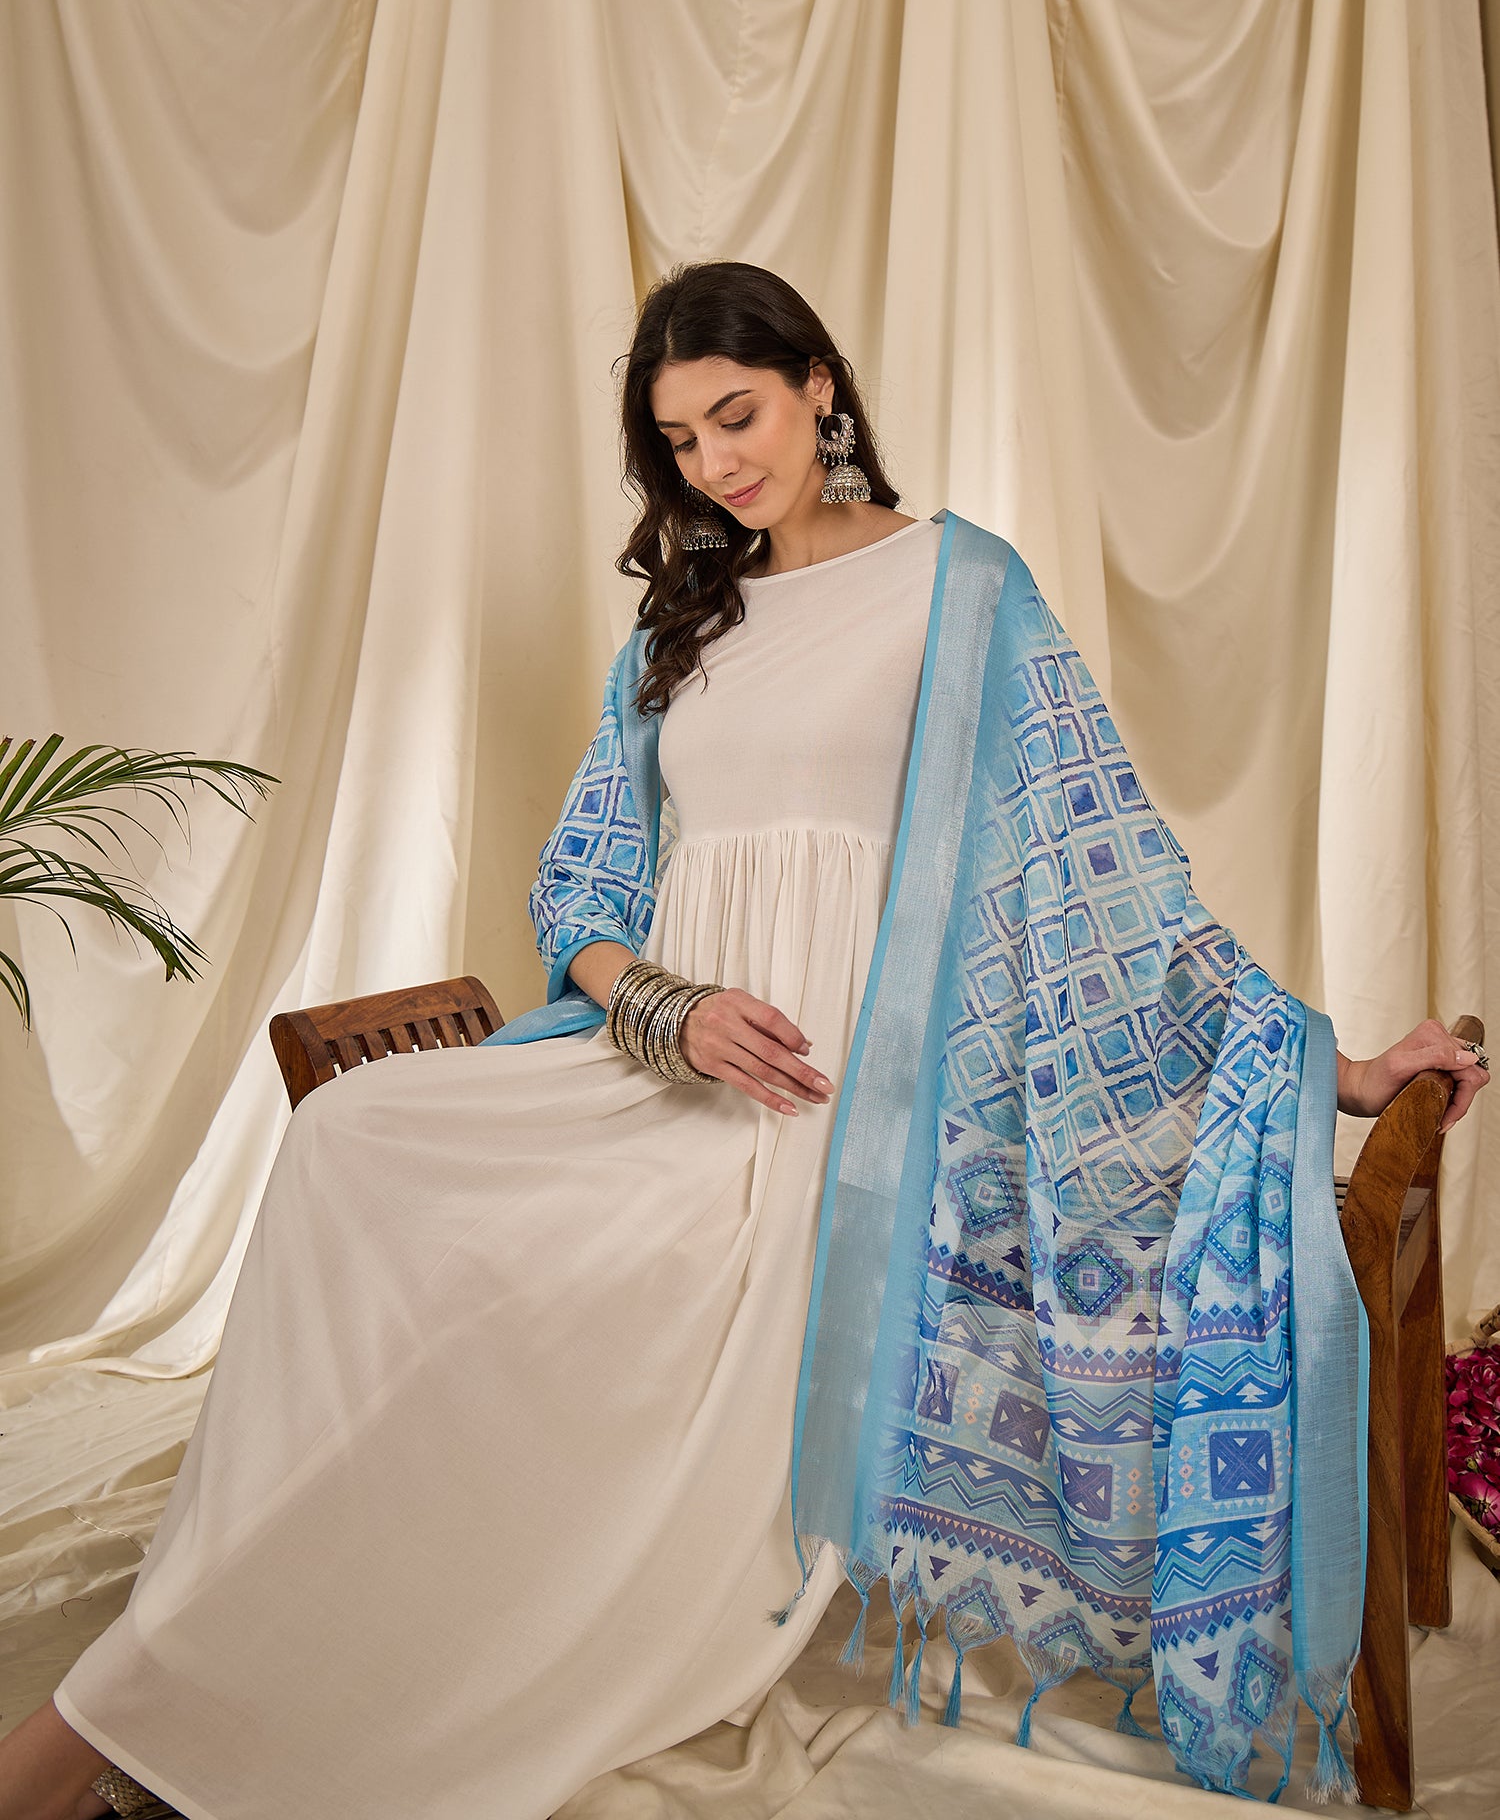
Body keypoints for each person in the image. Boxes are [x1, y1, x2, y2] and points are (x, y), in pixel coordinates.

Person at [1, 260, 1487, 1820]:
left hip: (839, 1121)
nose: (717, 462)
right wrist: (674, 1011)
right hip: (665, 1071)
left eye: (739, 415)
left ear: (818, 388)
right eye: (681, 440)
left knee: (550, 1303)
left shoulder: (965, 590)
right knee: (346, 1137)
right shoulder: (681, 622)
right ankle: (226, 1618)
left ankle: (136, 1714)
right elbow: (577, 897)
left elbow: (1112, 887)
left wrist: (1342, 1072)